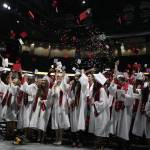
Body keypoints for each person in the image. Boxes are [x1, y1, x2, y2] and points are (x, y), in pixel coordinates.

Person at [68, 70, 89, 147]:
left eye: (78, 76)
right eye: (75, 76)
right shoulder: (72, 85)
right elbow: (69, 95)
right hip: (74, 107)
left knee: (80, 124)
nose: (76, 77)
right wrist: (70, 100)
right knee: (73, 124)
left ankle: (80, 141)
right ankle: (74, 140)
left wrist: (83, 73)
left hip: (80, 107)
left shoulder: (83, 86)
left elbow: (85, 80)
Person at [51, 70, 70, 145]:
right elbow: (52, 94)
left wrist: (64, 76)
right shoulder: (55, 86)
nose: (58, 77)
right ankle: (56, 138)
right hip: (56, 106)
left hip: (62, 106)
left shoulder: (64, 85)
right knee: (56, 123)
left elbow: (66, 88)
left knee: (61, 123)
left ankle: (60, 139)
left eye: (59, 76)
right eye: (57, 76)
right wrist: (54, 89)